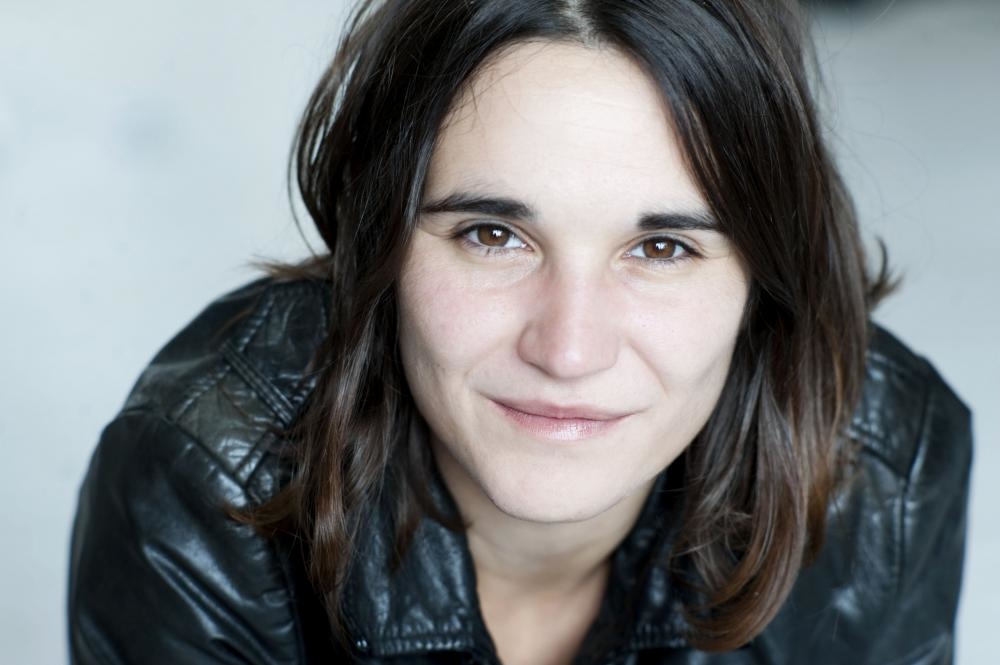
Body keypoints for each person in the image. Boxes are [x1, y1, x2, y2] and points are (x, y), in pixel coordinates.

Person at [67, 0, 973, 663]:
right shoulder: (203, 483)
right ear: (382, 243)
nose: (569, 350)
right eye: (492, 235)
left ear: (763, 280)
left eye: (662, 247)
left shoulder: (885, 473)